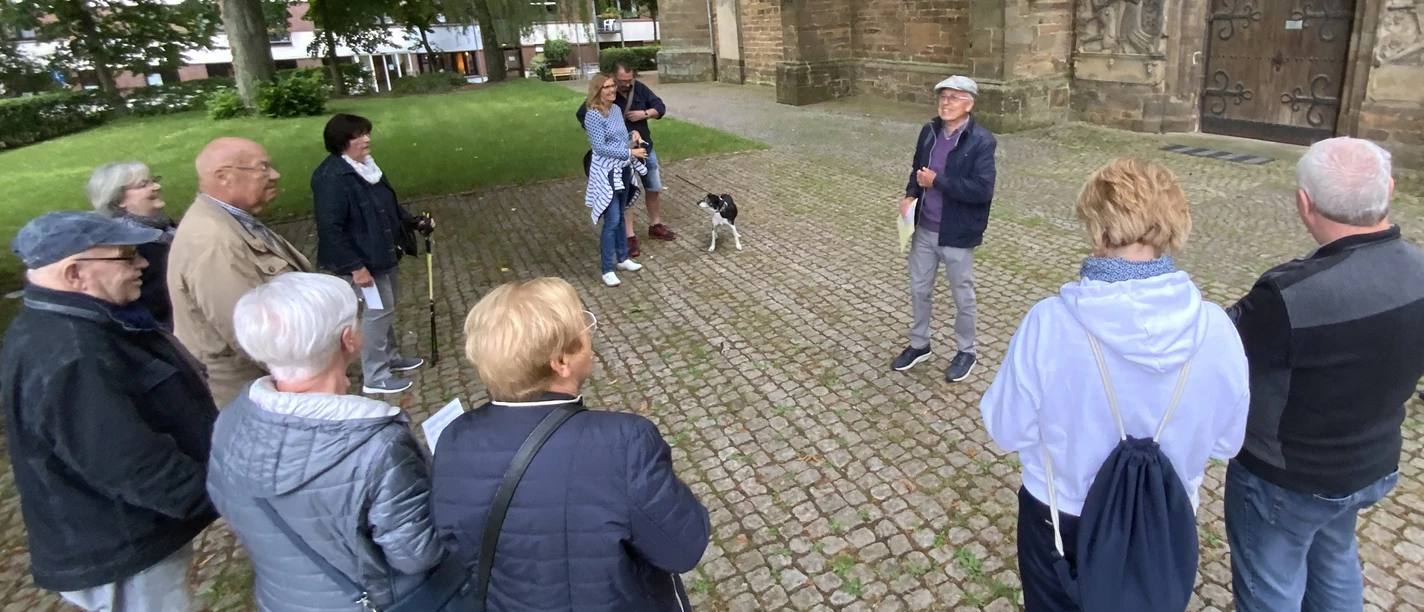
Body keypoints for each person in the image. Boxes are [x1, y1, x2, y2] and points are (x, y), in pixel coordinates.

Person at [980, 159, 1249, 611]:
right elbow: (1227, 442)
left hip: (1061, 516)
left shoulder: (1049, 323)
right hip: (1165, 516)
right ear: (1173, 225)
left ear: (1097, 229)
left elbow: (1007, 430)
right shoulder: (1217, 328)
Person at [1225, 137, 1424, 612]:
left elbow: (1226, 347)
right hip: (1369, 462)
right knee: (1334, 558)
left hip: (1289, 475)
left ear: (1304, 203)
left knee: (1270, 585)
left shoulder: (1290, 294)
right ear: (1389, 190)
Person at [431, 277, 710, 610]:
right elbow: (683, 545)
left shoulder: (453, 438)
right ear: (561, 361)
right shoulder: (624, 442)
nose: (590, 334)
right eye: (584, 328)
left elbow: (456, 543)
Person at [1, 211, 219, 612]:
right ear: (74, 274)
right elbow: (129, 462)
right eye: (126, 256)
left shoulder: (68, 323)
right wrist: (224, 495)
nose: (142, 265)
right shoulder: (72, 354)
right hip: (123, 546)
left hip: (125, 534)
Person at [207, 272, 449, 611]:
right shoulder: (378, 446)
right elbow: (417, 554)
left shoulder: (231, 421)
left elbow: (233, 509)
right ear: (347, 339)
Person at [169, 137, 315, 407]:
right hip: (257, 396)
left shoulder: (231, 221)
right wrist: (314, 378)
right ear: (224, 177)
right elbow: (249, 334)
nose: (275, 175)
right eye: (262, 168)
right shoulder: (213, 241)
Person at [312, 113, 435, 395]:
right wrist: (355, 266)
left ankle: (390, 358)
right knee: (377, 312)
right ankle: (375, 375)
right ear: (343, 142)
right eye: (358, 135)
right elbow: (330, 228)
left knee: (384, 309)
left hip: (383, 253)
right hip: (363, 260)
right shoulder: (332, 177)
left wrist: (413, 221)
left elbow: (387, 205)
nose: (366, 139)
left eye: (366, 133)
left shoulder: (366, 167)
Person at [891, 75, 997, 383]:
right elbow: (917, 170)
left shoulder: (981, 140)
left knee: (962, 296)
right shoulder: (929, 131)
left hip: (956, 232)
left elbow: (982, 190)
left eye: (953, 97)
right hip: (923, 228)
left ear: (969, 104)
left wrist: (937, 181)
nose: (945, 102)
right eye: (943, 96)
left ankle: (967, 350)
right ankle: (919, 344)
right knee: (919, 289)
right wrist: (911, 195)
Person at [577, 60, 676, 258]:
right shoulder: (604, 100)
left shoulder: (638, 89)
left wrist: (644, 114)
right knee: (627, 191)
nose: (626, 84)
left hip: (643, 147)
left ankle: (655, 225)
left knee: (654, 187)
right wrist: (605, 133)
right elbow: (584, 115)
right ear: (612, 78)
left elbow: (660, 107)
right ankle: (629, 237)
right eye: (621, 81)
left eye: (629, 80)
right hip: (619, 155)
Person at [88, 161, 177, 329]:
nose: (156, 187)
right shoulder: (128, 246)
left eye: (153, 180)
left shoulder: (164, 226)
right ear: (118, 200)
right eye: (143, 185)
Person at [581, 73, 647, 287]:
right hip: (606, 173)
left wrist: (633, 135)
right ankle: (607, 268)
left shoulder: (617, 110)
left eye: (612, 87)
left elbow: (620, 138)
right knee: (611, 220)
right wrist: (631, 154)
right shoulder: (593, 115)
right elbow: (600, 148)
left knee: (620, 217)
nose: (611, 90)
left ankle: (623, 258)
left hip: (623, 170)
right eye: (606, 87)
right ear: (597, 91)